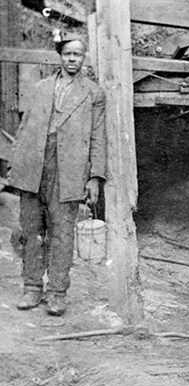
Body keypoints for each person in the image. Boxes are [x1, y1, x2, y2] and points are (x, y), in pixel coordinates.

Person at [7, 34, 107, 316]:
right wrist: (16, 165)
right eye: (67, 54)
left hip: (70, 169)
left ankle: (57, 293)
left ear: (84, 57)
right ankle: (32, 288)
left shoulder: (94, 94)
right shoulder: (41, 88)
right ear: (60, 56)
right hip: (34, 165)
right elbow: (25, 128)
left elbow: (99, 138)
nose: (72, 59)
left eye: (78, 54)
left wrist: (95, 177)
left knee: (62, 234)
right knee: (31, 230)